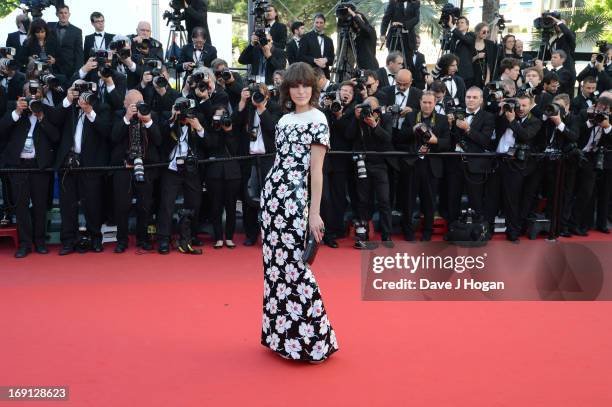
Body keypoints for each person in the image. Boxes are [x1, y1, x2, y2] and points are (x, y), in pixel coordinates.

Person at [260, 62, 338, 362]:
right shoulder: (283, 121)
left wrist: (313, 213)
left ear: (314, 88)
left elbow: (316, 171)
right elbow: (278, 162)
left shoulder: (318, 119)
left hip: (295, 200)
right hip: (272, 198)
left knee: (296, 267)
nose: (301, 90)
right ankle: (281, 337)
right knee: (274, 270)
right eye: (295, 86)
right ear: (288, 90)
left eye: (306, 85)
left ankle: (313, 341)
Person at [0, 82, 60, 258]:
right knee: (21, 206)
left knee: (40, 206)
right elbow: (2, 129)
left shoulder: (47, 110)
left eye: (37, 93)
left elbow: (55, 137)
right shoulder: (14, 108)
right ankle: (25, 244)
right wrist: (18, 112)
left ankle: (40, 242)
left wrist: (41, 116)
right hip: (18, 166)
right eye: (29, 93)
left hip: (39, 166)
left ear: (42, 94)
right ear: (22, 95)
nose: (33, 96)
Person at [110, 90, 162, 253]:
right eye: (133, 104)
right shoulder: (118, 115)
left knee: (144, 205)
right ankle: (122, 240)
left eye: (139, 103)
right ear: (125, 104)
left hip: (146, 166)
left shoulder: (151, 114)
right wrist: (126, 117)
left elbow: (159, 140)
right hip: (123, 167)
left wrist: (147, 121)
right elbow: (114, 138)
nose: (137, 107)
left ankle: (143, 239)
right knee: (121, 205)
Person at [202, 105, 241, 249]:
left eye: (222, 115)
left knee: (231, 207)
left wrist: (228, 131)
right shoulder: (210, 130)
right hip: (214, 174)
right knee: (216, 206)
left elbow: (234, 149)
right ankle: (218, 237)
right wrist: (216, 128)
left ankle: (229, 237)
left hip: (232, 174)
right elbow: (211, 145)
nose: (220, 118)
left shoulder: (233, 128)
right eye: (217, 116)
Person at [48, 5, 83, 78]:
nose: (63, 15)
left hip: (69, 69)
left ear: (69, 14)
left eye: (65, 13)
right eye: (61, 13)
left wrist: (78, 71)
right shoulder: (49, 26)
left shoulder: (77, 31)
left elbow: (79, 53)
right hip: (51, 69)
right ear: (57, 14)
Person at [299, 14, 335, 79]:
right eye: (317, 22)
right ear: (314, 23)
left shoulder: (329, 40)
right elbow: (300, 56)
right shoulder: (305, 37)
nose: (318, 25)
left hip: (325, 75)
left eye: (321, 23)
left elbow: (332, 59)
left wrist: (326, 60)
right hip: (310, 74)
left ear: (324, 24)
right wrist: (314, 60)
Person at [471, 22, 495, 88]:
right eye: (484, 31)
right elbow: (465, 63)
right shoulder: (470, 43)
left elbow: (489, 63)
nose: (486, 34)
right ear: (477, 31)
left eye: (487, 32)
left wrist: (488, 78)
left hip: (485, 76)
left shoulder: (489, 44)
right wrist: (476, 57)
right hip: (472, 76)